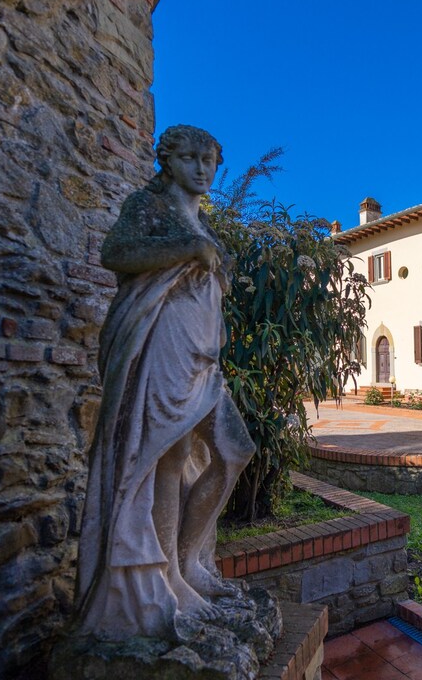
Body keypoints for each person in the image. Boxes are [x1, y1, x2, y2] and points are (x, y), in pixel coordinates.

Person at [75, 125, 255, 640]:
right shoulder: (149, 207)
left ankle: (186, 560)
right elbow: (117, 255)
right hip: (162, 350)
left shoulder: (200, 221)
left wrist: (207, 254)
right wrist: (188, 248)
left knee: (234, 451)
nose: (202, 169)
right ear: (168, 161)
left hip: (201, 359)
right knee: (168, 459)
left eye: (210, 161)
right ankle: (170, 578)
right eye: (191, 158)